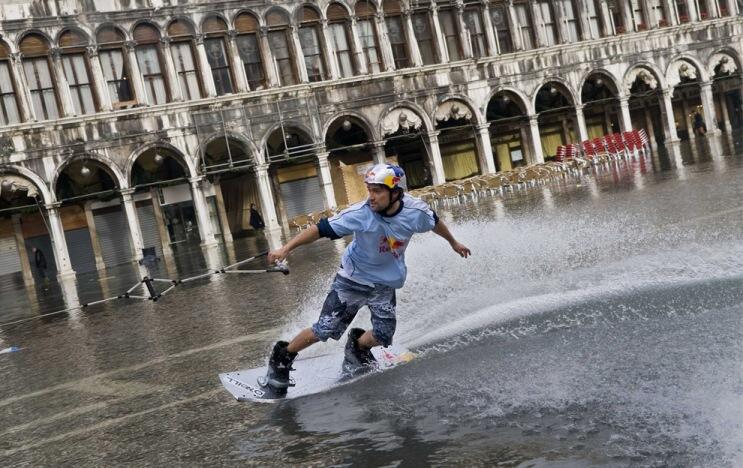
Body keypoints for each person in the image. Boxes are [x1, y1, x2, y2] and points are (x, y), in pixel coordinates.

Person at [263, 163, 471, 394]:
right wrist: (286, 248)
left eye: (377, 191)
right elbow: (319, 229)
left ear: (395, 192)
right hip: (352, 280)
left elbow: (434, 221)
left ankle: (357, 346)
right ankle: (283, 356)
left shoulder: (415, 211)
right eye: (369, 190)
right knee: (325, 330)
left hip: (384, 284)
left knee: (383, 336)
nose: (371, 197)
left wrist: (453, 242)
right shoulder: (360, 214)